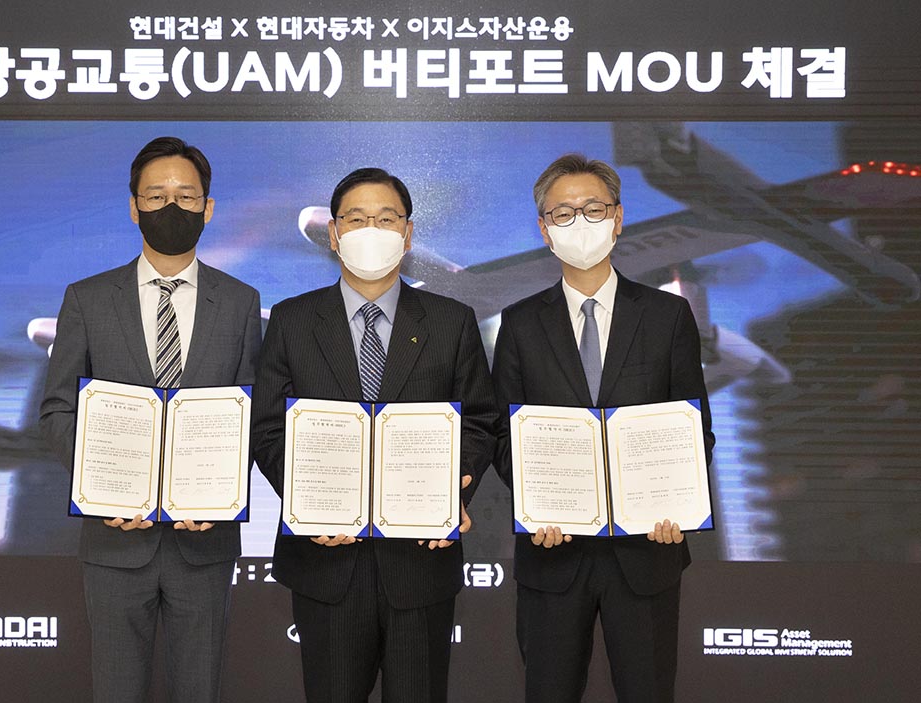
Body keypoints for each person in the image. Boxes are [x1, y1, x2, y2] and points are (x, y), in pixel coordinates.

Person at [251, 168, 498, 703]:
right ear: (335, 234)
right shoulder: (292, 321)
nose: (371, 230)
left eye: (386, 219)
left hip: (420, 563)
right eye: (356, 219)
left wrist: (455, 491)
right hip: (325, 563)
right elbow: (267, 427)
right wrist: (305, 501)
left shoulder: (452, 321)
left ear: (407, 234)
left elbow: (480, 419)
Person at [39, 137, 261, 703]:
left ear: (208, 208)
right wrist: (103, 491)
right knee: (115, 690)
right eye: (156, 195)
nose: (171, 208)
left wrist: (219, 495)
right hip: (113, 544)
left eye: (186, 196)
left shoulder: (240, 302)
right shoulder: (86, 299)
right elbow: (59, 409)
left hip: (205, 543)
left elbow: (253, 412)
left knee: (199, 690)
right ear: (133, 205)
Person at [491, 154, 715, 703]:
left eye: (593, 209)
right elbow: (503, 434)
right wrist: (535, 503)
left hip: (647, 552)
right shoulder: (520, 322)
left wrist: (677, 506)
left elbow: (694, 427)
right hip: (552, 552)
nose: (580, 222)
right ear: (544, 230)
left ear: (618, 219)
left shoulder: (667, 316)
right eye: (563, 213)